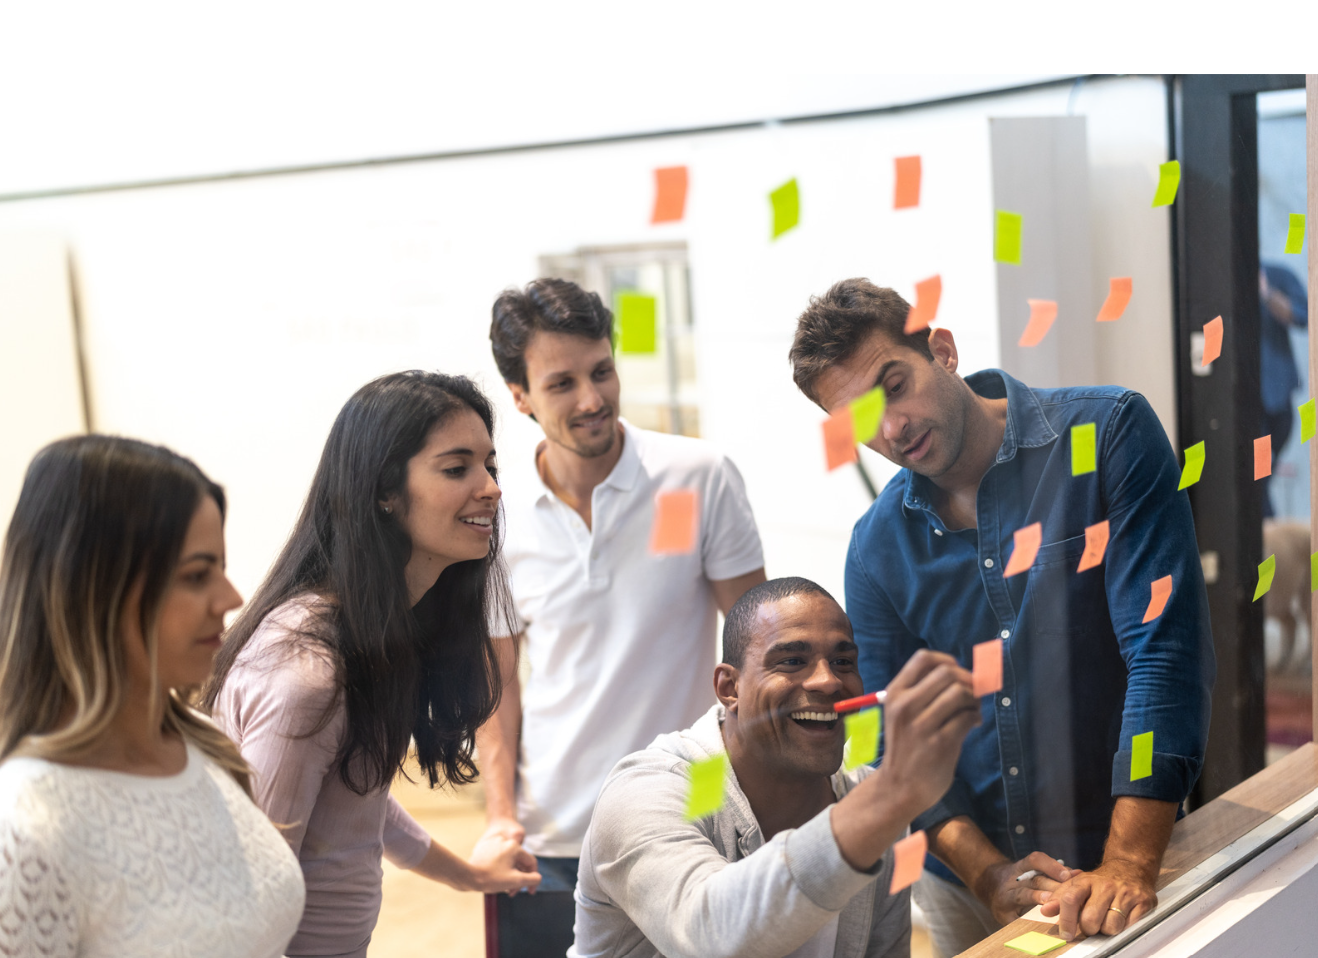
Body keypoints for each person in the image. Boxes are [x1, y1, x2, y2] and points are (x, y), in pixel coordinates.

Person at [788, 279, 1215, 953]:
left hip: (1128, 843)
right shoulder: (875, 549)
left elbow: (1164, 653)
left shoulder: (1106, 436)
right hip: (965, 881)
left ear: (943, 350)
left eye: (894, 386)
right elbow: (890, 741)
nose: (891, 428)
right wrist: (986, 873)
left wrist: (1129, 859)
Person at [206, 371, 540, 958]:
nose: (490, 488)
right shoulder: (308, 674)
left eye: (490, 466)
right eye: (456, 468)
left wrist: (469, 875)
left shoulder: (377, 630)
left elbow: (358, 796)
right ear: (385, 491)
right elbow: (250, 894)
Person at [478, 278, 767, 941]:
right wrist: (501, 817)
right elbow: (495, 687)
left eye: (602, 372)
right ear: (519, 397)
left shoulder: (697, 477)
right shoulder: (497, 513)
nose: (592, 399)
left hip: (690, 814)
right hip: (554, 829)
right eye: (561, 384)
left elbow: (757, 647)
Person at [0, 435, 305, 957]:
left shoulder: (203, 745)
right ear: (92, 590)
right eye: (196, 575)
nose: (230, 598)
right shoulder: (25, 828)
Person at [570, 577, 981, 958]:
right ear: (729, 688)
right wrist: (892, 796)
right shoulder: (649, 791)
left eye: (843, 662)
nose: (828, 682)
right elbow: (709, 933)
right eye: (791, 661)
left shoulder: (865, 800)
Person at [1258, 262, 1309, 517]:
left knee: (1261, 478)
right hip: (1249, 412)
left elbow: (1304, 315)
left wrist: (1267, 293)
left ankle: (1268, 545)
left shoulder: (1277, 275)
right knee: (1258, 479)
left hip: (1278, 405)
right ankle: (1266, 546)